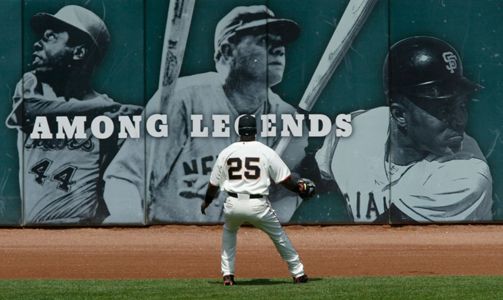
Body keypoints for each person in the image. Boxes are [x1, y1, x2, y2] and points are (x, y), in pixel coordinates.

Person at [104, 5, 308, 223]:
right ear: (228, 51)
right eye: (265, 40)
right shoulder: (183, 98)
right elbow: (124, 178)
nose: (279, 49)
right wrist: (129, 222)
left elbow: (285, 197)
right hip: (167, 238)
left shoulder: (287, 119)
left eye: (281, 42)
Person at [310, 36, 493, 223]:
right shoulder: (355, 130)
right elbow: (316, 179)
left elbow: (379, 241)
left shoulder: (466, 177)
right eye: (444, 110)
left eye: (461, 106)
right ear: (399, 115)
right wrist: (287, 179)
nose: (460, 120)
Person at [5, 5, 141, 225]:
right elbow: (28, 111)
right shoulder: (33, 86)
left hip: (83, 228)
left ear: (79, 52)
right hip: (36, 229)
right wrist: (104, 109)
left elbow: (113, 180)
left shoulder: (110, 114)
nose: (37, 43)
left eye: (51, 38)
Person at [200, 114, 315, 285]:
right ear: (255, 130)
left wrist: (207, 202)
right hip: (258, 204)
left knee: (229, 233)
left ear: (239, 131)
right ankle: (298, 273)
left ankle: (228, 275)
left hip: (233, 203)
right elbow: (286, 181)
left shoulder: (227, 152)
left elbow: (213, 185)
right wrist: (298, 189)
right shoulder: (265, 151)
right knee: (279, 236)